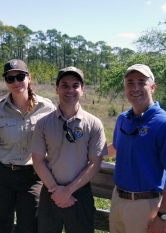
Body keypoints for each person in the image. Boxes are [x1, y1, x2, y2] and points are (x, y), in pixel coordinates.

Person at [0, 59, 55, 233]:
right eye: (10, 79)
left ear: (29, 78)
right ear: (6, 82)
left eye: (20, 77)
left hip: (32, 177)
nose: (16, 82)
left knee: (30, 227)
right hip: (0, 176)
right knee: (0, 225)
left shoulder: (47, 108)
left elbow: (55, 145)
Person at [106, 64, 166, 233]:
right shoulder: (123, 119)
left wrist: (162, 216)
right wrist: (85, 152)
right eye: (130, 82)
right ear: (124, 87)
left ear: (153, 87)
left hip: (144, 205)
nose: (135, 88)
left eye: (141, 82)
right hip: (117, 198)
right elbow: (116, 148)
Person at [28, 66, 108, 233]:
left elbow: (95, 162)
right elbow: (38, 160)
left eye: (75, 85)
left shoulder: (93, 124)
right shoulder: (43, 123)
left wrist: (68, 191)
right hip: (50, 192)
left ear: (82, 89)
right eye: (64, 85)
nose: (70, 90)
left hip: (80, 194)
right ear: (57, 89)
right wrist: (57, 192)